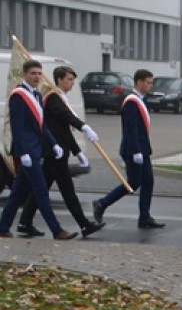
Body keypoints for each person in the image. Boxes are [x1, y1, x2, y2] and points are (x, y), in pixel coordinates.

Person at [17, 65, 104, 237]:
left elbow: (64, 129)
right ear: (59, 80)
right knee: (67, 189)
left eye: (73, 79)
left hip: (57, 150)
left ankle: (24, 222)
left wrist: (77, 151)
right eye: (69, 79)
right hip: (54, 151)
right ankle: (84, 224)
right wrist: (84, 127)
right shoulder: (53, 98)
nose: (72, 83)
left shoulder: (60, 98)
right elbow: (67, 117)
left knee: (40, 190)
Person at [0, 60, 77, 240]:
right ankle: (57, 230)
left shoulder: (36, 95)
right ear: (24, 74)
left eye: (39, 73)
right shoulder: (19, 95)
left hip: (36, 149)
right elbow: (17, 127)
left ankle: (3, 226)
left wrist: (54, 144)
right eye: (33, 73)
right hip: (27, 152)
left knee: (18, 192)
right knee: (41, 190)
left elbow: (42, 126)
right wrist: (24, 152)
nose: (36, 77)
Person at [93, 69, 165, 230]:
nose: (150, 86)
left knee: (148, 182)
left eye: (151, 82)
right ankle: (102, 203)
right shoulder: (131, 102)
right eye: (148, 82)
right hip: (133, 150)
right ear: (139, 82)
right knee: (133, 182)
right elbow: (130, 128)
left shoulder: (141, 100)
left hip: (143, 149)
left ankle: (144, 217)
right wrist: (136, 151)